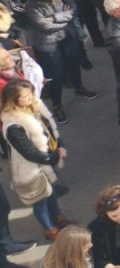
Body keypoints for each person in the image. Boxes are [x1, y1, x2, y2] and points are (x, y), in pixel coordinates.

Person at [0, 79, 67, 241]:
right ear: (13, 99)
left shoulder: (33, 108)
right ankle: (50, 230)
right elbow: (29, 153)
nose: (30, 98)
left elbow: (49, 129)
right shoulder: (13, 125)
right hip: (31, 169)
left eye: (31, 94)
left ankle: (58, 219)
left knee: (50, 192)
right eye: (25, 96)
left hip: (44, 162)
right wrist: (55, 156)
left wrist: (59, 145)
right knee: (40, 200)